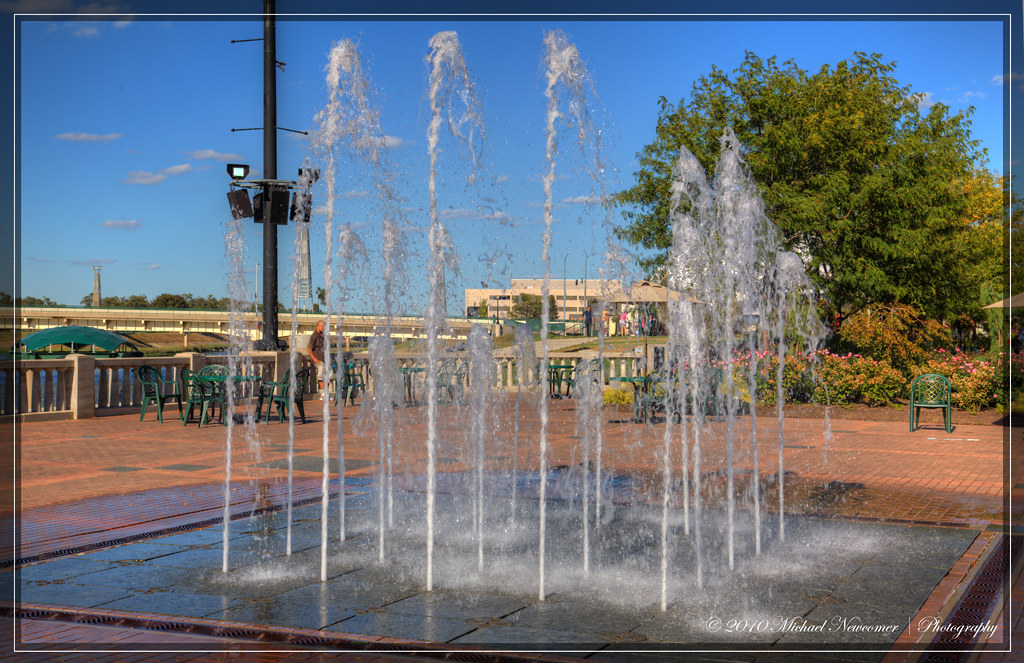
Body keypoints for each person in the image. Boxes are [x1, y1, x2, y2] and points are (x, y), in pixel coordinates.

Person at [307, 319, 327, 398]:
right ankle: (324, 395)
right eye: (322, 326)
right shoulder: (314, 336)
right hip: (319, 360)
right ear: (318, 326)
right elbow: (309, 349)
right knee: (321, 377)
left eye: (324, 326)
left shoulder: (323, 335)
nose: (324, 327)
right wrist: (315, 359)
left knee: (329, 377)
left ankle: (324, 393)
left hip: (325, 359)